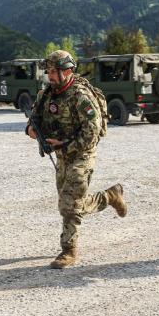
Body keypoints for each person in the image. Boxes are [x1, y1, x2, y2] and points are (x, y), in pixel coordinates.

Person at [26, 50, 127, 268]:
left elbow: (92, 132)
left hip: (82, 154)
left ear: (68, 71)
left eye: (54, 72)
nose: (50, 76)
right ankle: (110, 197)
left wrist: (65, 145)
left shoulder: (81, 96)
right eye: (49, 71)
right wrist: (31, 130)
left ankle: (68, 251)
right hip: (62, 156)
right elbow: (35, 118)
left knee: (68, 205)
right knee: (71, 203)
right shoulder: (46, 95)